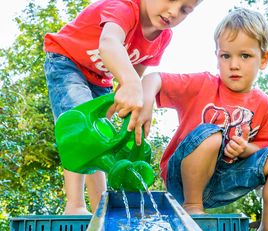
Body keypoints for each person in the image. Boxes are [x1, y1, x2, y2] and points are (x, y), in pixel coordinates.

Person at [140, 8, 268, 231]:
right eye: (225, 56)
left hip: (224, 181)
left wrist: (244, 149)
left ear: (263, 60)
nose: (234, 65)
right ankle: (192, 209)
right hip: (182, 178)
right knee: (211, 133)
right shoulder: (202, 84)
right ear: (217, 56)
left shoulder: (263, 103)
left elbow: (263, 147)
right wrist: (146, 100)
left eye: (245, 56)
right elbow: (153, 79)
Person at [44, 0, 202, 215]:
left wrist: (128, 100)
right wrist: (131, 84)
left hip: (100, 78)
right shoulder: (124, 7)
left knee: (102, 137)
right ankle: (75, 206)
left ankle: (101, 206)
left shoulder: (162, 37)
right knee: (78, 130)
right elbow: (109, 43)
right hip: (67, 61)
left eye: (185, 10)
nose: (173, 12)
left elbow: (137, 70)